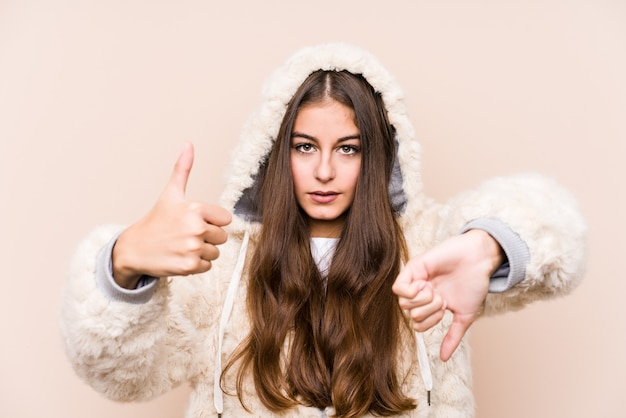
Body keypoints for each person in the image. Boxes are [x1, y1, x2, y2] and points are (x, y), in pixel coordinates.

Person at [60, 43, 587, 418]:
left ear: (377, 156)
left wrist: (488, 246)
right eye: (305, 146)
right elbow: (119, 374)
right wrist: (123, 265)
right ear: (274, 153)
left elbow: (555, 230)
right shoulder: (223, 262)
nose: (325, 172)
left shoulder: (428, 246)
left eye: (349, 148)